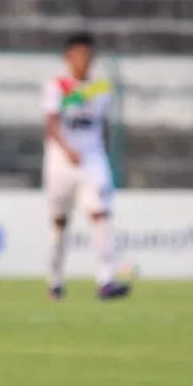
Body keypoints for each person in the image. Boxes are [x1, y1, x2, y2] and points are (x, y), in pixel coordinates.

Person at [42, 32, 131, 300]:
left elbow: (101, 123)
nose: (84, 60)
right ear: (68, 57)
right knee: (60, 223)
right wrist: (67, 149)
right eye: (79, 54)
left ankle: (106, 281)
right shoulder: (57, 86)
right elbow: (51, 122)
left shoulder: (101, 88)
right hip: (61, 162)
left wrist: (103, 154)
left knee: (101, 215)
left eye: (89, 55)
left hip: (92, 160)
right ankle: (54, 281)